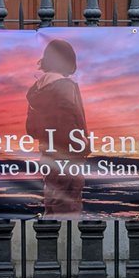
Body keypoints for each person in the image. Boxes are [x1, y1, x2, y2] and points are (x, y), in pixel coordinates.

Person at [25, 38, 86, 216]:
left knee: (52, 208)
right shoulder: (65, 87)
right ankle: (68, 245)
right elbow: (72, 126)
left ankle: (52, 243)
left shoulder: (36, 89)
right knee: (69, 211)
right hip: (69, 160)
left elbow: (31, 130)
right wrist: (83, 145)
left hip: (48, 158)